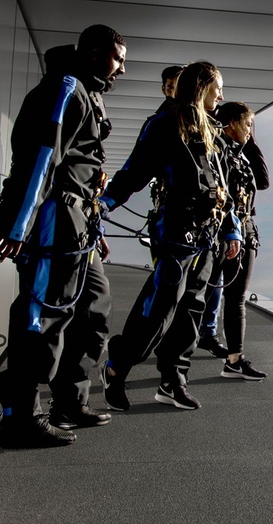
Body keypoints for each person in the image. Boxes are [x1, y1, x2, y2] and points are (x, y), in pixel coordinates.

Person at [0, 25, 126, 448]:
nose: (122, 68)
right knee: (43, 314)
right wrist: (17, 227)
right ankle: (19, 420)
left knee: (94, 309)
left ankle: (68, 401)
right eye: (117, 58)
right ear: (95, 52)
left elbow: (78, 166)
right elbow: (41, 159)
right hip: (54, 219)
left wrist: (96, 226)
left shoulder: (88, 91)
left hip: (81, 223)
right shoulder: (66, 89)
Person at [98, 61, 241, 411]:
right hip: (175, 233)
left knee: (191, 310)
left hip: (207, 237)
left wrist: (231, 229)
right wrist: (101, 206)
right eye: (217, 87)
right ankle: (117, 367)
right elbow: (134, 172)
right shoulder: (163, 124)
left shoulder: (214, 132)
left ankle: (172, 380)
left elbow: (221, 187)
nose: (222, 95)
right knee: (159, 308)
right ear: (202, 85)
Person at [208, 101, 270, 380]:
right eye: (247, 125)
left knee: (235, 299)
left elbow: (263, 180)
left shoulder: (236, 153)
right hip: (224, 236)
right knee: (218, 298)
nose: (249, 131)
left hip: (243, 233)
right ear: (232, 123)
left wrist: (250, 140)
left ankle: (234, 359)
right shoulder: (217, 152)